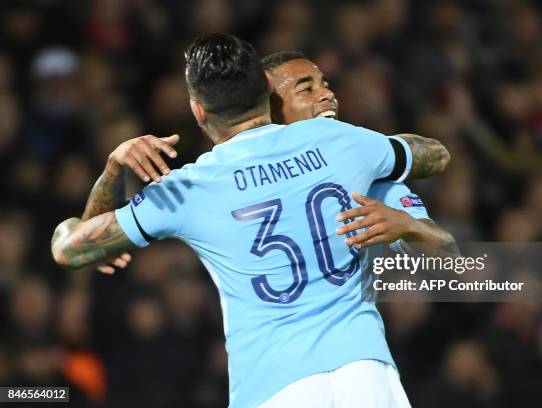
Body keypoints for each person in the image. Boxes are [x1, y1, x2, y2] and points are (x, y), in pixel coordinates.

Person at [52, 33, 419, 407]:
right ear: (265, 85)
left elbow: (70, 250)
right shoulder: (338, 139)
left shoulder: (188, 188)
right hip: (367, 376)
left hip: (274, 386)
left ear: (198, 110)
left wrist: (113, 169)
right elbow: (431, 154)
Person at [261, 51, 456, 256]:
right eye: (306, 89)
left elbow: (451, 261)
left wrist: (409, 226)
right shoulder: (240, 173)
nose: (328, 95)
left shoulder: (362, 168)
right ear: (270, 110)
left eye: (325, 85)